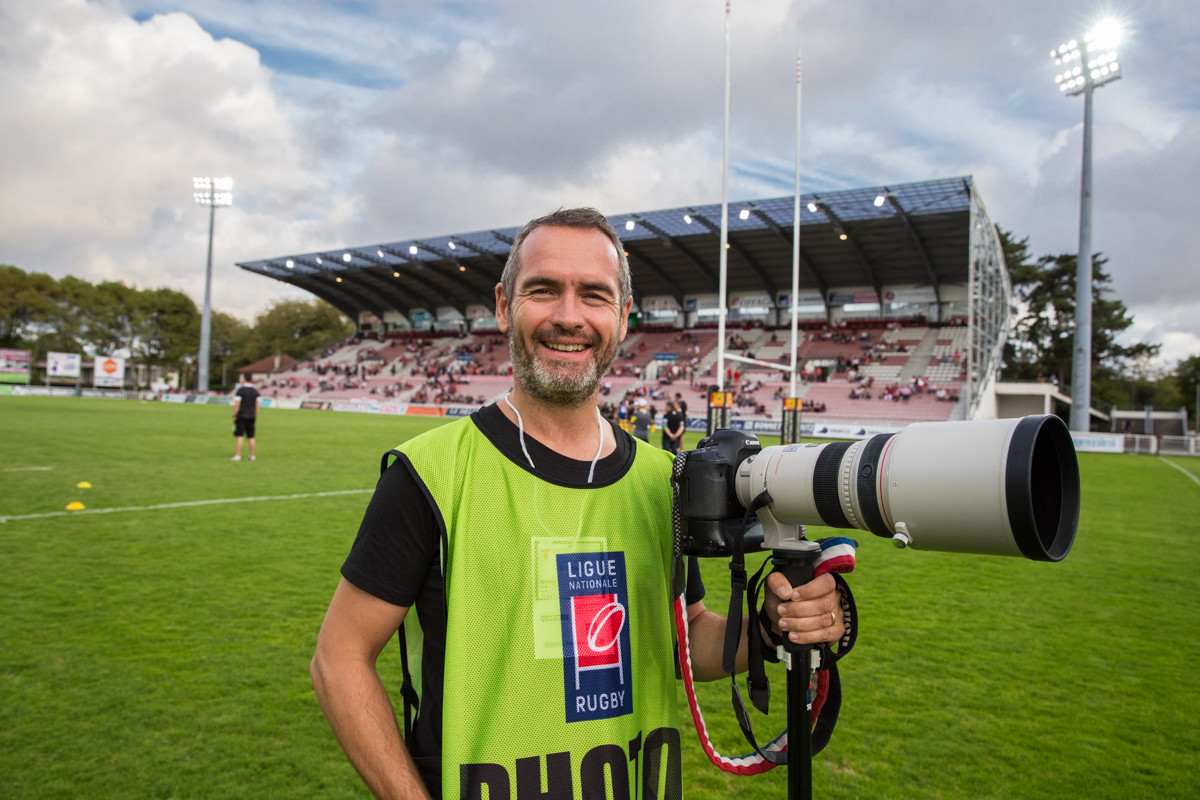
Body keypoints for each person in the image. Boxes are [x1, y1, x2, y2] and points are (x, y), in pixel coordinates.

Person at [310, 207, 846, 800]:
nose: (569, 317)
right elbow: (339, 659)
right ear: (503, 304)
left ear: (622, 317)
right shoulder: (429, 474)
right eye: (544, 290)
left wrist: (770, 628)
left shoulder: (663, 482)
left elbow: (682, 634)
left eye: (594, 295)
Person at [230, 378, 260, 461]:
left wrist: (234, 414)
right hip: (251, 416)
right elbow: (258, 404)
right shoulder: (255, 391)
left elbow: (237, 403)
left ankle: (238, 455)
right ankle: (252, 455)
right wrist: (255, 414)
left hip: (242, 415)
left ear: (244, 380)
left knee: (240, 435)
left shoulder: (241, 390)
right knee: (251, 436)